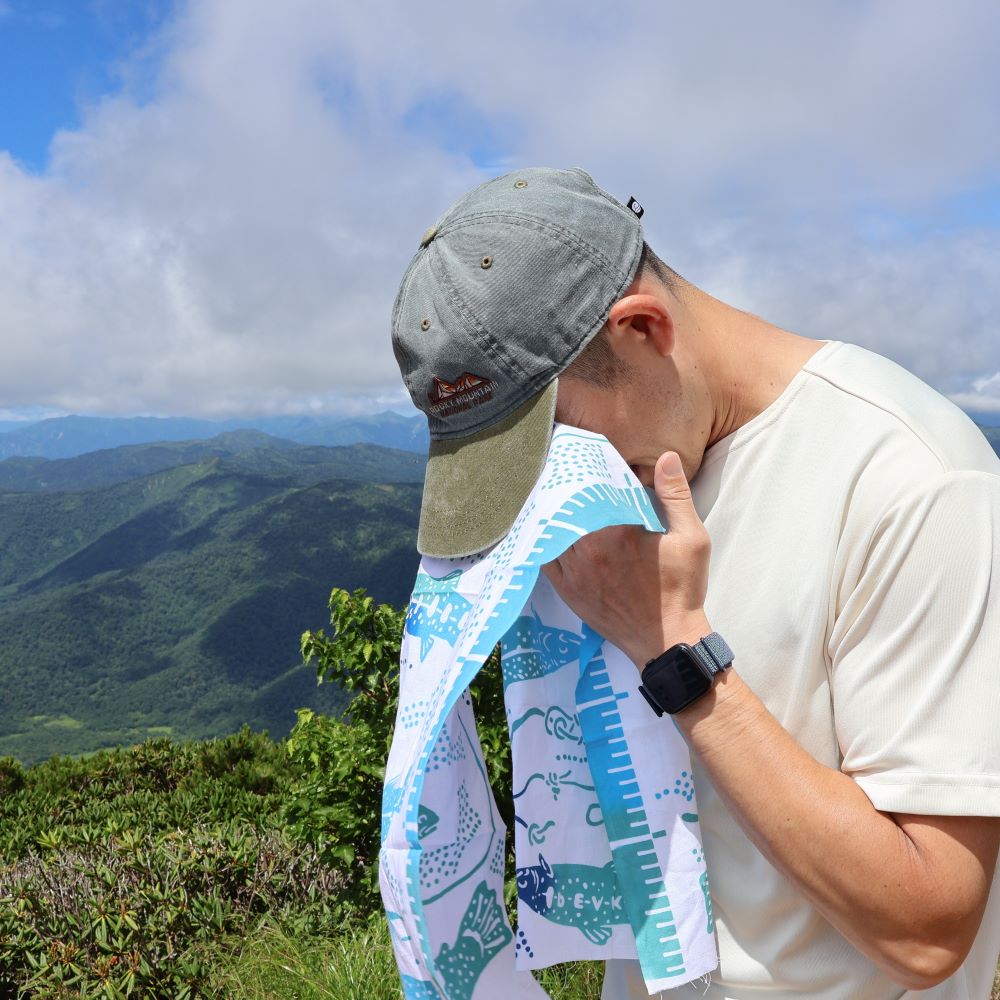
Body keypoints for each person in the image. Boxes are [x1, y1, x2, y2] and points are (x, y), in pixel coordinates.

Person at [390, 166, 1000, 999]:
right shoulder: (608, 493)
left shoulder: (912, 481)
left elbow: (930, 930)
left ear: (642, 328)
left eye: (548, 443)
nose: (544, 486)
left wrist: (671, 648)